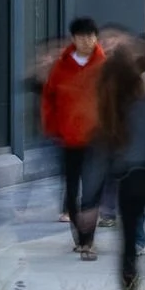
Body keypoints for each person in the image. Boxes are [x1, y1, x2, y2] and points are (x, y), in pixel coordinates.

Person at [97, 33, 145, 290]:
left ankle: (129, 281)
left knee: (128, 235)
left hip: (125, 179)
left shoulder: (112, 110)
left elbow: (106, 152)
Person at [41, 16, 106, 256]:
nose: (86, 41)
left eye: (91, 36)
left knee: (92, 190)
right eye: (82, 36)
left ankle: (88, 239)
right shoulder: (61, 67)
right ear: (73, 38)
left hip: (97, 140)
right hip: (68, 139)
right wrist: (53, 129)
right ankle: (79, 235)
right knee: (71, 191)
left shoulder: (104, 66)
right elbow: (49, 100)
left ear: (96, 38)